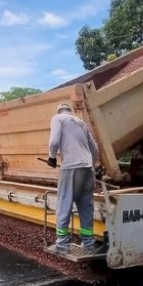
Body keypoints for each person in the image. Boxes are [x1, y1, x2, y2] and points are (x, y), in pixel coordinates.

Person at [46, 103, 101, 255]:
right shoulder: (81, 123)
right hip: (88, 169)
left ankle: (62, 244)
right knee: (86, 207)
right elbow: (95, 149)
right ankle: (88, 243)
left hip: (71, 167)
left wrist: (52, 157)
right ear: (71, 112)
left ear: (59, 111)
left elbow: (54, 141)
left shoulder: (58, 118)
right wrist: (92, 166)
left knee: (64, 203)